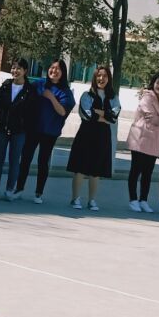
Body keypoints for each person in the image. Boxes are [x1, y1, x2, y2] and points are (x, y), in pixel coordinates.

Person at [18, 60, 74, 205]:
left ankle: (38, 193)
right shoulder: (39, 83)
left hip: (50, 132)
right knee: (25, 158)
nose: (54, 71)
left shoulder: (65, 91)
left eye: (58, 69)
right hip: (33, 128)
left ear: (63, 73)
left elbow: (63, 111)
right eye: (52, 67)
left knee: (43, 161)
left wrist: (51, 97)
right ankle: (19, 188)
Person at [67, 65, 119, 211]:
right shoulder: (86, 95)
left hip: (103, 136)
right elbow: (87, 114)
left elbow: (114, 116)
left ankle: (92, 200)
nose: (101, 78)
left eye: (105, 76)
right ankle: (75, 198)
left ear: (109, 78)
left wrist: (99, 113)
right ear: (94, 78)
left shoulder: (113, 98)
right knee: (80, 168)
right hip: (86, 134)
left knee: (96, 171)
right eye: (98, 76)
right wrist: (105, 115)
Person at [0, 58, 34, 201]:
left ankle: (10, 189)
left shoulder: (29, 90)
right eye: (13, 67)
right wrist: (0, 115)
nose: (15, 71)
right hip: (2, 128)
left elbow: (32, 111)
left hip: (19, 131)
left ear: (25, 71)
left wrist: (23, 123)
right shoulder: (6, 85)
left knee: (14, 160)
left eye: (19, 68)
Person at [125, 72, 159, 213]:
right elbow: (151, 117)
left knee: (148, 173)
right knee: (136, 170)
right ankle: (133, 200)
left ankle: (143, 200)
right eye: (158, 83)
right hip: (141, 138)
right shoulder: (147, 97)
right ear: (153, 83)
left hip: (154, 141)